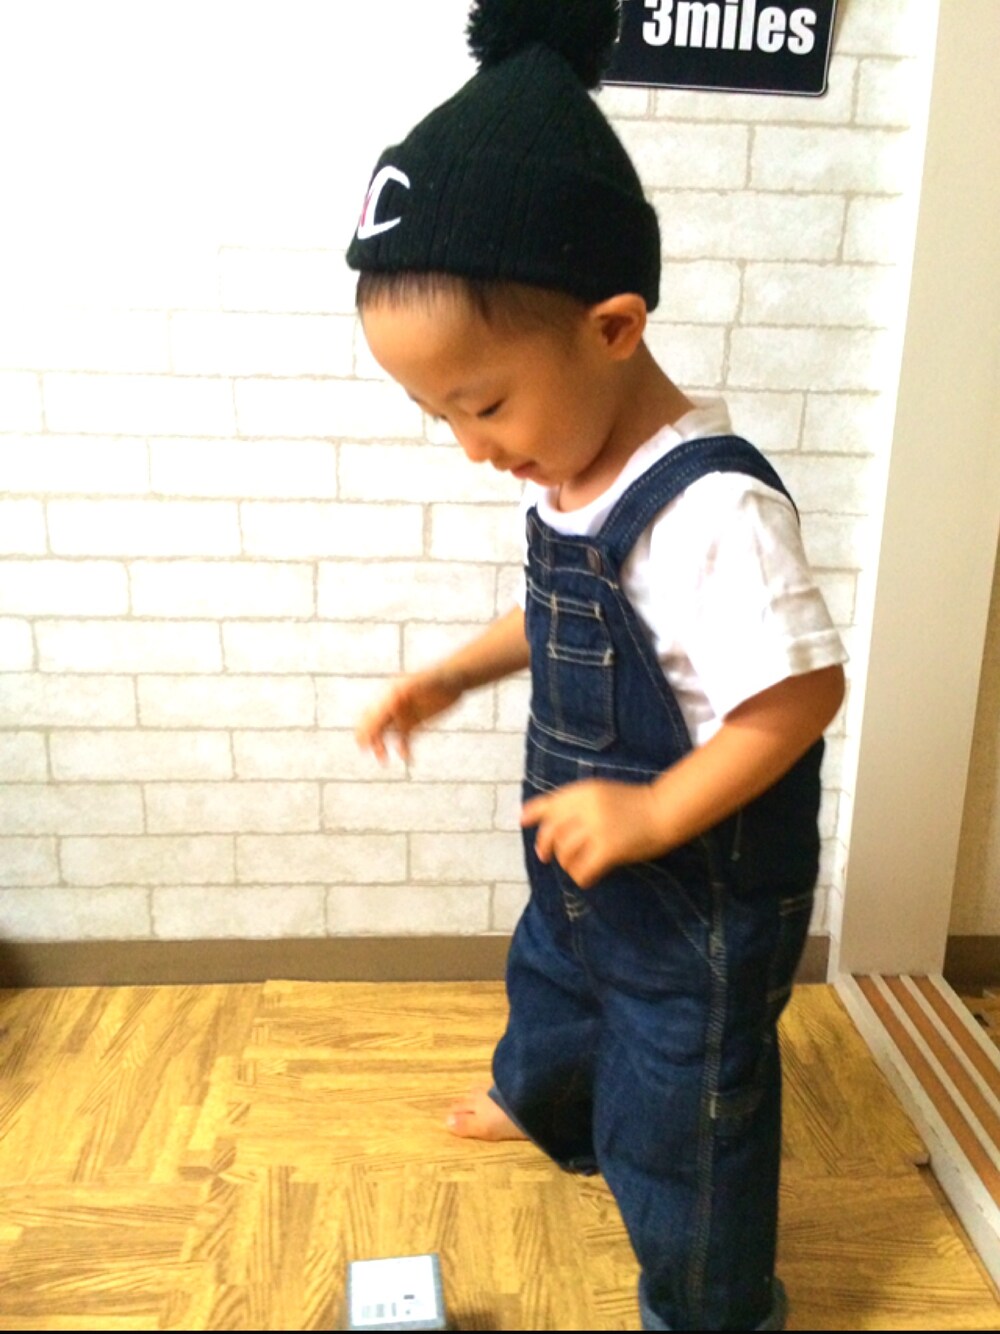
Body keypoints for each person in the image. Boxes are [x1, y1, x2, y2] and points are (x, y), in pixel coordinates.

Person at [349, 2, 847, 1328]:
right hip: (592, 864)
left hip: (698, 897)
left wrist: (656, 811)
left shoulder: (713, 512)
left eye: (484, 402)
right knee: (556, 981)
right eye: (440, 414)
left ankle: (710, 1303)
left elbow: (801, 694)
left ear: (614, 327)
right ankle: (544, 1102)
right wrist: (458, 673)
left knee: (683, 1103)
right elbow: (566, 610)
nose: (474, 446)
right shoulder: (570, 471)